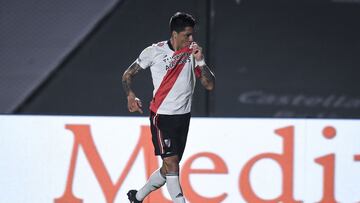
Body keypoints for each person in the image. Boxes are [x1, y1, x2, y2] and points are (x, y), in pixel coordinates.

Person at [122, 12, 215, 203]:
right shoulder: (154, 52)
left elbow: (209, 85)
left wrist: (201, 60)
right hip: (161, 118)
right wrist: (130, 94)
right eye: (187, 35)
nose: (191, 39)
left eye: (192, 35)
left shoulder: (193, 53)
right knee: (172, 165)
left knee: (167, 169)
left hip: (183, 118)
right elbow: (127, 75)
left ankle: (137, 197)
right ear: (175, 34)